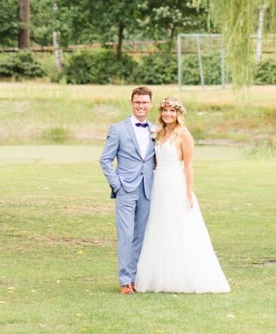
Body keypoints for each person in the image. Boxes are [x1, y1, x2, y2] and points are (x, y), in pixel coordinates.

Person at [133, 96, 231, 293]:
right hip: (159, 184)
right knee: (160, 227)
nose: (168, 114)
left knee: (179, 226)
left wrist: (188, 192)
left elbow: (188, 166)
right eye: (165, 111)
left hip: (175, 184)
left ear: (178, 114)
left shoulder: (183, 134)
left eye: (172, 111)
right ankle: (161, 276)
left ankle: (185, 276)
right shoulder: (159, 133)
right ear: (160, 113)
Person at [99, 86, 157, 294]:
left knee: (140, 236)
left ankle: (136, 278)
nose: (141, 106)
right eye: (137, 102)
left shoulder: (156, 129)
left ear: (150, 105)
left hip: (147, 190)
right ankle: (125, 281)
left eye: (145, 102)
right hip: (125, 189)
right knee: (126, 234)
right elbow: (105, 160)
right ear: (132, 103)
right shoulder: (118, 129)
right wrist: (117, 185)